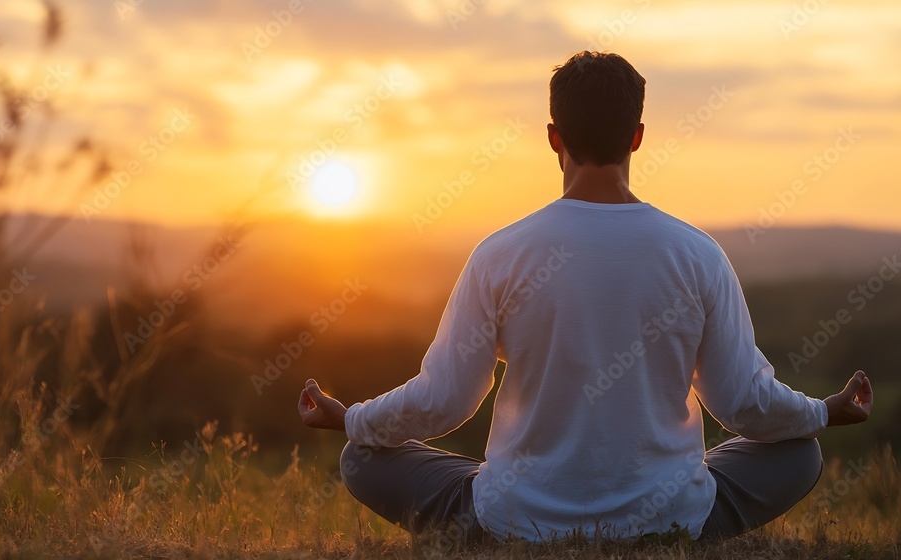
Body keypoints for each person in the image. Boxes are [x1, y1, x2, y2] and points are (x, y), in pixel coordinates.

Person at [296, 51, 874, 542]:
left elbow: (444, 400)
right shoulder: (698, 254)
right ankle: (673, 522)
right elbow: (744, 403)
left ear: (554, 137)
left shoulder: (499, 254)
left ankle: (511, 511)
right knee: (801, 452)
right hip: (668, 516)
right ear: (637, 137)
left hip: (516, 519)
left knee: (362, 455)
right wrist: (824, 411)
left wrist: (352, 418)